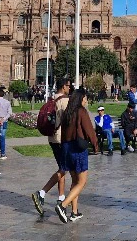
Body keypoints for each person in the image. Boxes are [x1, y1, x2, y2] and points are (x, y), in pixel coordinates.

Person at [55, 88, 98, 223]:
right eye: (85, 98)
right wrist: (95, 145)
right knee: (82, 181)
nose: (86, 101)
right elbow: (89, 130)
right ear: (81, 98)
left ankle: (74, 212)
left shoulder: (68, 112)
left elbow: (63, 132)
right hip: (77, 148)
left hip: (66, 146)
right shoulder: (81, 111)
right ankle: (63, 205)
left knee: (74, 180)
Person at [32, 77, 71, 216]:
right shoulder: (65, 101)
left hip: (52, 138)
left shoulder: (52, 99)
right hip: (62, 138)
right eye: (68, 85)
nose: (69, 88)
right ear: (63, 87)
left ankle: (61, 198)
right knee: (64, 168)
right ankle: (41, 193)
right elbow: (68, 120)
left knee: (62, 167)